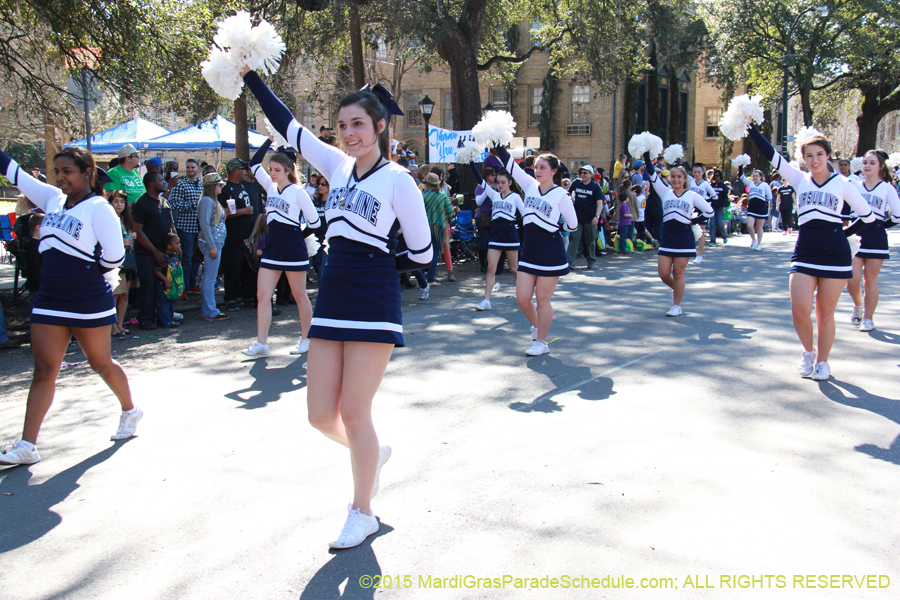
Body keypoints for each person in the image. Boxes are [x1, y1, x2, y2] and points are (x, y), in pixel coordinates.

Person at [243, 67, 432, 549]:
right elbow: (288, 126)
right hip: (332, 297)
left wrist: (379, 260)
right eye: (343, 125)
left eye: (358, 125)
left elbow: (424, 253)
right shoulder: (336, 165)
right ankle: (373, 453)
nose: (349, 134)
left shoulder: (399, 180)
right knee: (318, 415)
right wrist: (250, 76)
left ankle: (361, 510)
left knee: (353, 410)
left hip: (373, 298)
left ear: (380, 128)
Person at [0, 146, 142, 466]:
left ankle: (130, 410)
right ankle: (27, 444)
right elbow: (15, 172)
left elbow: (114, 257)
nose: (61, 177)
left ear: (87, 174)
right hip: (49, 299)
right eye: (58, 171)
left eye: (68, 171)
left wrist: (92, 279)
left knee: (101, 363)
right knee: (44, 370)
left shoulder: (99, 208)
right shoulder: (52, 199)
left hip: (87, 299)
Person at [746, 123, 875, 380]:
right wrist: (751, 130)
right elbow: (773, 155)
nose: (814, 160)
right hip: (804, 252)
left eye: (819, 154)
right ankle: (808, 351)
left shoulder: (843, 183)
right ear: (803, 159)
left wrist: (843, 234)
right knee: (799, 310)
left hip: (835, 255)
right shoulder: (798, 179)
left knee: (824, 313)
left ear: (828, 155)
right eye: (809, 155)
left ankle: (823, 362)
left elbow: (868, 216)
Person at [241, 137, 321, 358]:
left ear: (288, 170)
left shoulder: (298, 192)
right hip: (273, 248)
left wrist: (297, 236)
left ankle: (307, 338)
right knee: (263, 295)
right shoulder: (270, 187)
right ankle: (261, 343)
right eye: (271, 169)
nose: (272, 172)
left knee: (299, 295)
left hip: (293, 248)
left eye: (277, 169)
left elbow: (315, 223)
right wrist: (268, 141)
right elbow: (254, 164)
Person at [493, 145, 577, 355]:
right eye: (537, 167)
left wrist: (557, 228)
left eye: (543, 167)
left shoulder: (560, 194)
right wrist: (498, 144)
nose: (538, 171)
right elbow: (511, 166)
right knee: (522, 298)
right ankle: (539, 327)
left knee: (542, 300)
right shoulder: (530, 184)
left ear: (553, 171)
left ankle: (541, 342)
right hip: (529, 250)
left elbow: (573, 224)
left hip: (550, 252)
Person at [644, 154, 713, 317]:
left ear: (684, 179)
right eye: (673, 177)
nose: (675, 179)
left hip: (684, 237)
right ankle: (677, 289)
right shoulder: (664, 192)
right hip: (667, 236)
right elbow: (652, 175)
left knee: (678, 273)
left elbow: (709, 212)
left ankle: (676, 305)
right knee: (663, 273)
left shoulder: (692, 195)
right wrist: (647, 156)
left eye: (679, 177)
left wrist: (694, 219)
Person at [847, 149, 900, 332]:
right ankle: (858, 306)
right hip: (856, 234)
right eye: (865, 163)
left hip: (876, 237)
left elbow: (897, 215)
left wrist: (880, 226)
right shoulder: (854, 185)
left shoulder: (887, 188)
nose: (867, 166)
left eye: (872, 163)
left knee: (870, 281)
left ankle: (868, 319)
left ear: (880, 166)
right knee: (852, 280)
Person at [471, 168, 524, 310]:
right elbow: (480, 181)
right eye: (498, 182)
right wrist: (471, 163)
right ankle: (486, 301)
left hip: (510, 234)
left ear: (510, 182)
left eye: (503, 182)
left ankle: (524, 296)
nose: (500, 185)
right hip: (495, 234)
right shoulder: (494, 194)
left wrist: (517, 225)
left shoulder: (515, 197)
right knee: (491, 268)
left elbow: (525, 215)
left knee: (514, 268)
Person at [132, 171, 175, 330]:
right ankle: (146, 318)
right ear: (151, 184)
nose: (164, 182)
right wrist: (155, 251)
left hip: (165, 252)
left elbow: (171, 226)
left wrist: (176, 246)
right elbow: (137, 231)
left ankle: (164, 317)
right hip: (146, 253)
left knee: (164, 286)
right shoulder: (141, 203)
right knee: (148, 286)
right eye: (160, 180)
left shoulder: (165, 203)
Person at [218, 158, 255, 311]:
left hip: (247, 235)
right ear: (236, 170)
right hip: (234, 236)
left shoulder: (243, 186)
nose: (245, 171)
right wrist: (244, 211)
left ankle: (247, 294)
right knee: (233, 267)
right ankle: (231, 297)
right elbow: (225, 213)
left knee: (248, 267)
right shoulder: (225, 189)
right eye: (242, 168)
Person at [167, 158, 203, 294]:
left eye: (193, 167)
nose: (190, 170)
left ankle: (192, 283)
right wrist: (193, 205)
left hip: (199, 228)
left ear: (198, 169)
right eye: (188, 167)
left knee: (196, 258)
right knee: (186, 257)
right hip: (186, 227)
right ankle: (184, 287)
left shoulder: (201, 185)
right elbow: (174, 203)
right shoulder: (180, 185)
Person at [197, 173, 229, 321]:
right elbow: (204, 224)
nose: (221, 186)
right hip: (212, 243)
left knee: (209, 278)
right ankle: (210, 311)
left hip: (215, 242)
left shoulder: (211, 201)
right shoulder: (206, 201)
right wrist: (211, 246)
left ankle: (208, 310)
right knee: (210, 278)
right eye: (219, 184)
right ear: (212, 186)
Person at [107, 191, 135, 335]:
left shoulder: (125, 219)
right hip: (116, 261)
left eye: (122, 202)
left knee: (125, 294)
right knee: (115, 295)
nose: (119, 205)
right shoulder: (108, 219)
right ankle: (112, 327)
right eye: (116, 201)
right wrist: (121, 242)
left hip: (128, 259)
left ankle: (120, 324)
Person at [566, 165, 604, 269]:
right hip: (577, 217)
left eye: (585, 173)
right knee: (574, 238)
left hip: (590, 218)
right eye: (581, 172)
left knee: (590, 240)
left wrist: (596, 216)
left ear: (591, 174)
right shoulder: (576, 183)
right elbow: (567, 194)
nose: (582, 175)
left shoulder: (595, 187)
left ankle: (591, 260)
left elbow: (600, 203)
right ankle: (570, 261)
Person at [422, 172, 455, 283]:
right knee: (435, 253)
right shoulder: (443, 196)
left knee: (424, 252)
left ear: (428, 184)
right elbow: (450, 213)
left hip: (425, 227)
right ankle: (431, 279)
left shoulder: (424, 196)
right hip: (439, 227)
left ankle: (422, 278)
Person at [689, 163, 717, 263]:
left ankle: (699, 255)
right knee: (690, 231)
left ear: (702, 173)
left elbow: (714, 196)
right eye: (695, 172)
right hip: (692, 209)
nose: (697, 174)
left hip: (702, 209)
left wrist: (706, 201)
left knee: (700, 232)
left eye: (699, 172)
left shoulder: (705, 184)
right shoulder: (691, 182)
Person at [153, 233, 181, 328]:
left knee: (170, 302)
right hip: (163, 283)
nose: (179, 245)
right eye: (177, 244)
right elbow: (156, 271)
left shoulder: (175, 256)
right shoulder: (164, 257)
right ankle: (167, 321)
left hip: (172, 283)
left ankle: (165, 320)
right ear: (169, 246)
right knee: (163, 303)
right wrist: (165, 280)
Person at [740, 168, 772, 251]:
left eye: (756, 176)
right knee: (750, 225)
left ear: (760, 177)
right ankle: (753, 239)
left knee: (759, 227)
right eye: (753, 176)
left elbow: (770, 197)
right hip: (752, 206)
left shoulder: (764, 185)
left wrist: (763, 200)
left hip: (761, 206)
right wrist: (741, 165)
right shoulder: (750, 183)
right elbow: (741, 176)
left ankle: (759, 244)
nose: (755, 177)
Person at [708, 169, 730, 246]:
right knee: (712, 223)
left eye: (717, 176)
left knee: (720, 223)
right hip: (713, 206)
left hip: (720, 207)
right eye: (715, 176)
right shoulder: (711, 186)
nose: (716, 177)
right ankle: (713, 240)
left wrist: (723, 207)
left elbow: (725, 198)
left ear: (720, 176)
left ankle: (724, 235)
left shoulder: (723, 186)